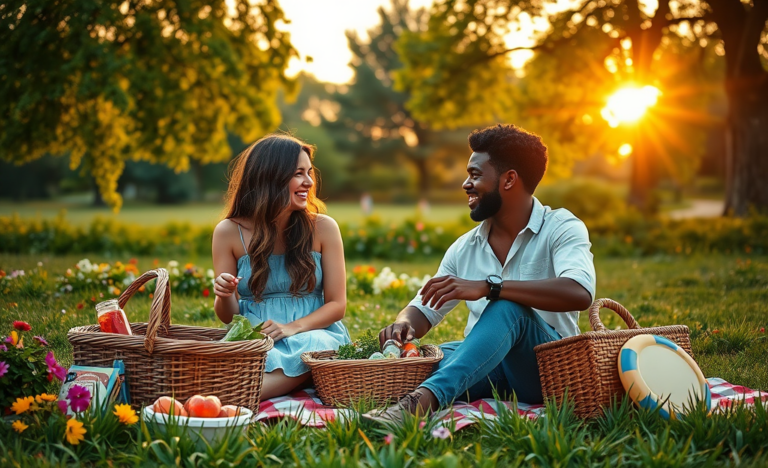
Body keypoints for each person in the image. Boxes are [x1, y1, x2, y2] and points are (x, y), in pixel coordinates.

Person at [365, 124, 596, 424]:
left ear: (509, 179)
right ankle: (403, 392)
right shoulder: (464, 247)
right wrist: (403, 324)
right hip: (489, 367)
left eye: (475, 175)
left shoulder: (562, 227)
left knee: (508, 307)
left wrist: (491, 287)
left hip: (546, 373)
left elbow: (579, 292)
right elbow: (422, 308)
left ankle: (419, 404)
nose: (466, 184)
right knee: (424, 358)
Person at [211, 133, 351, 400]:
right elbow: (229, 317)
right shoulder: (228, 232)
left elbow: (337, 305)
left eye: (309, 172)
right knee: (240, 359)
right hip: (258, 338)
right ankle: (267, 386)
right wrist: (225, 294)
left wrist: (292, 328)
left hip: (313, 333)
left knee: (312, 349)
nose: (309, 182)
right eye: (299, 173)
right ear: (270, 176)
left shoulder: (323, 228)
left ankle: (237, 396)